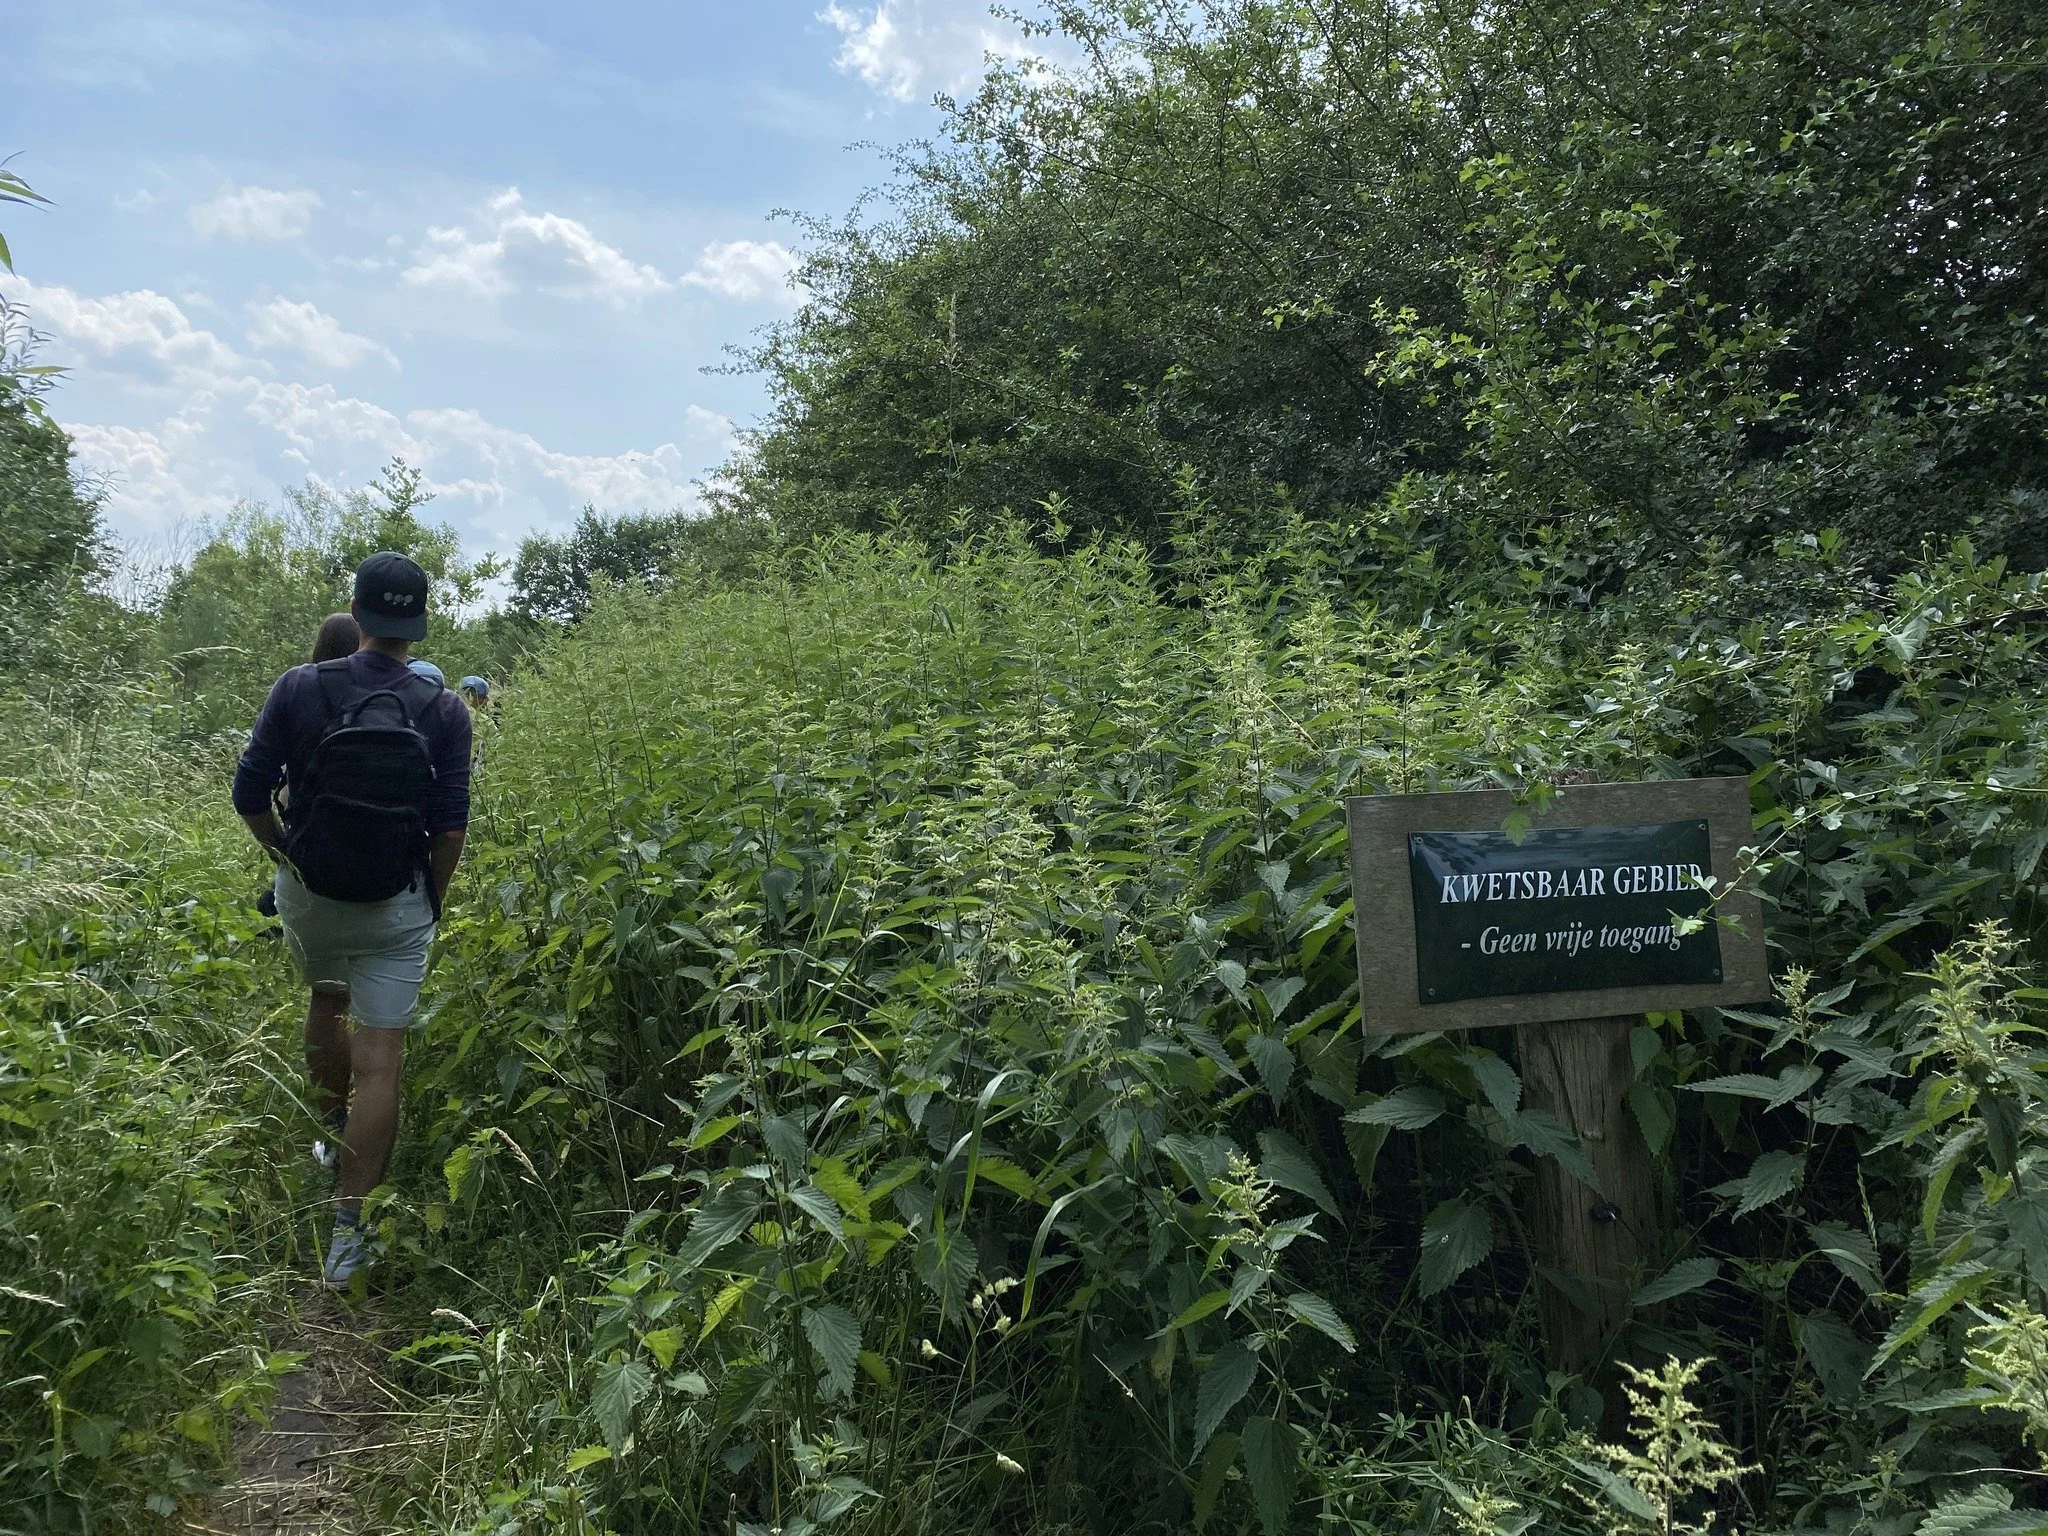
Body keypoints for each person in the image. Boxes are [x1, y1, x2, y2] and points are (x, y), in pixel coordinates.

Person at [232, 552, 472, 1289]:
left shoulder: (300, 686)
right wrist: (426, 901)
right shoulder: (446, 708)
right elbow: (450, 829)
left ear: (358, 609)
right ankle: (349, 1235)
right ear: (418, 621)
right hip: (396, 904)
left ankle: (332, 1133)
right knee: (383, 1062)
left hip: (312, 896)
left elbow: (247, 795)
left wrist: (289, 861)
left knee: (323, 1001)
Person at [257, 613, 365, 924]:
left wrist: (284, 859)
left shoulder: (298, 688)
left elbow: (250, 787)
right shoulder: (385, 695)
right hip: (382, 864)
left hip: (312, 855)